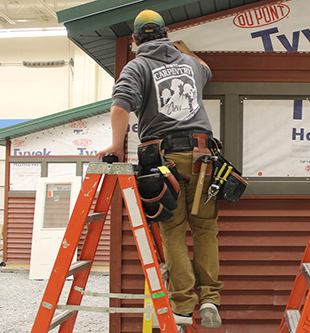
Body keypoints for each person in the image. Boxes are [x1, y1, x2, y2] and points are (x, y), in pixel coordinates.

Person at [96, 9, 223, 328]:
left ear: (137, 40)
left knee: (173, 231)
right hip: (203, 157)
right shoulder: (190, 63)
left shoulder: (136, 66)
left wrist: (115, 144)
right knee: (206, 230)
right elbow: (207, 68)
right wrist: (182, 48)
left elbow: (120, 106)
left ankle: (182, 306)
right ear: (165, 34)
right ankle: (210, 299)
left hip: (163, 162)